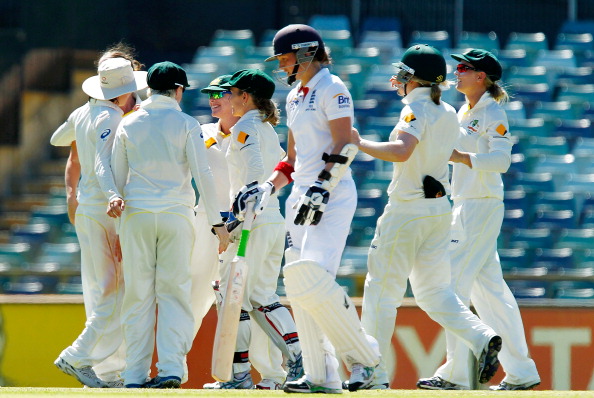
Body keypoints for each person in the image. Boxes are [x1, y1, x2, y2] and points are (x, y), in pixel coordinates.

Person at [233, 25, 380, 394]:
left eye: (283, 57)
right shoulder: (295, 97)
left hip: (332, 195)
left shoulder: (333, 88)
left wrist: (323, 187)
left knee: (314, 277)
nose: (280, 65)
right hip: (300, 195)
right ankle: (321, 375)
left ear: (303, 53)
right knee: (298, 285)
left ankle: (364, 358)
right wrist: (267, 186)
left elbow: (346, 143)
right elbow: (292, 160)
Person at [351, 44, 503, 390]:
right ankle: (481, 336)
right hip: (438, 210)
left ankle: (373, 373)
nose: (395, 79)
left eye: (401, 74)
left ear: (411, 78)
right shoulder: (449, 110)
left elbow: (402, 151)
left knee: (381, 292)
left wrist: (359, 143)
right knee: (434, 293)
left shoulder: (414, 109)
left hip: (406, 209)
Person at [416, 49, 540, 391]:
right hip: (466, 204)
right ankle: (522, 372)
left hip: (481, 205)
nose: (457, 72)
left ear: (481, 76)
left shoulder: (493, 111)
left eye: (464, 68)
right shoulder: (462, 110)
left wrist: (460, 156)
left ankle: (456, 373)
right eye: (457, 67)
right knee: (492, 295)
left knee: (451, 282)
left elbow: (501, 161)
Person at [108, 61, 229, 388]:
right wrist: (217, 222)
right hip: (176, 215)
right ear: (179, 90)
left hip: (138, 215)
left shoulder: (129, 123)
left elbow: (117, 179)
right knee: (175, 292)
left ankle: (134, 374)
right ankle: (172, 369)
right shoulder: (187, 123)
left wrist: (119, 229)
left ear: (148, 88)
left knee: (138, 295)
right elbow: (202, 175)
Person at [203, 69, 303, 390]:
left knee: (235, 296)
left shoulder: (246, 125)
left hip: (252, 223)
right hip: (269, 221)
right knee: (257, 297)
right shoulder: (265, 125)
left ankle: (256, 371)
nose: (226, 98)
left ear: (244, 97)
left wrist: (235, 221)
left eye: (230, 92)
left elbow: (256, 176)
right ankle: (283, 365)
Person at [51, 55, 148, 388]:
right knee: (115, 290)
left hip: (87, 210)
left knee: (105, 289)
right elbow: (107, 164)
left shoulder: (83, 112)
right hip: (107, 211)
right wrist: (112, 197)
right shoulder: (113, 117)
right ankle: (79, 356)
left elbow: (57, 138)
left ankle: (98, 365)